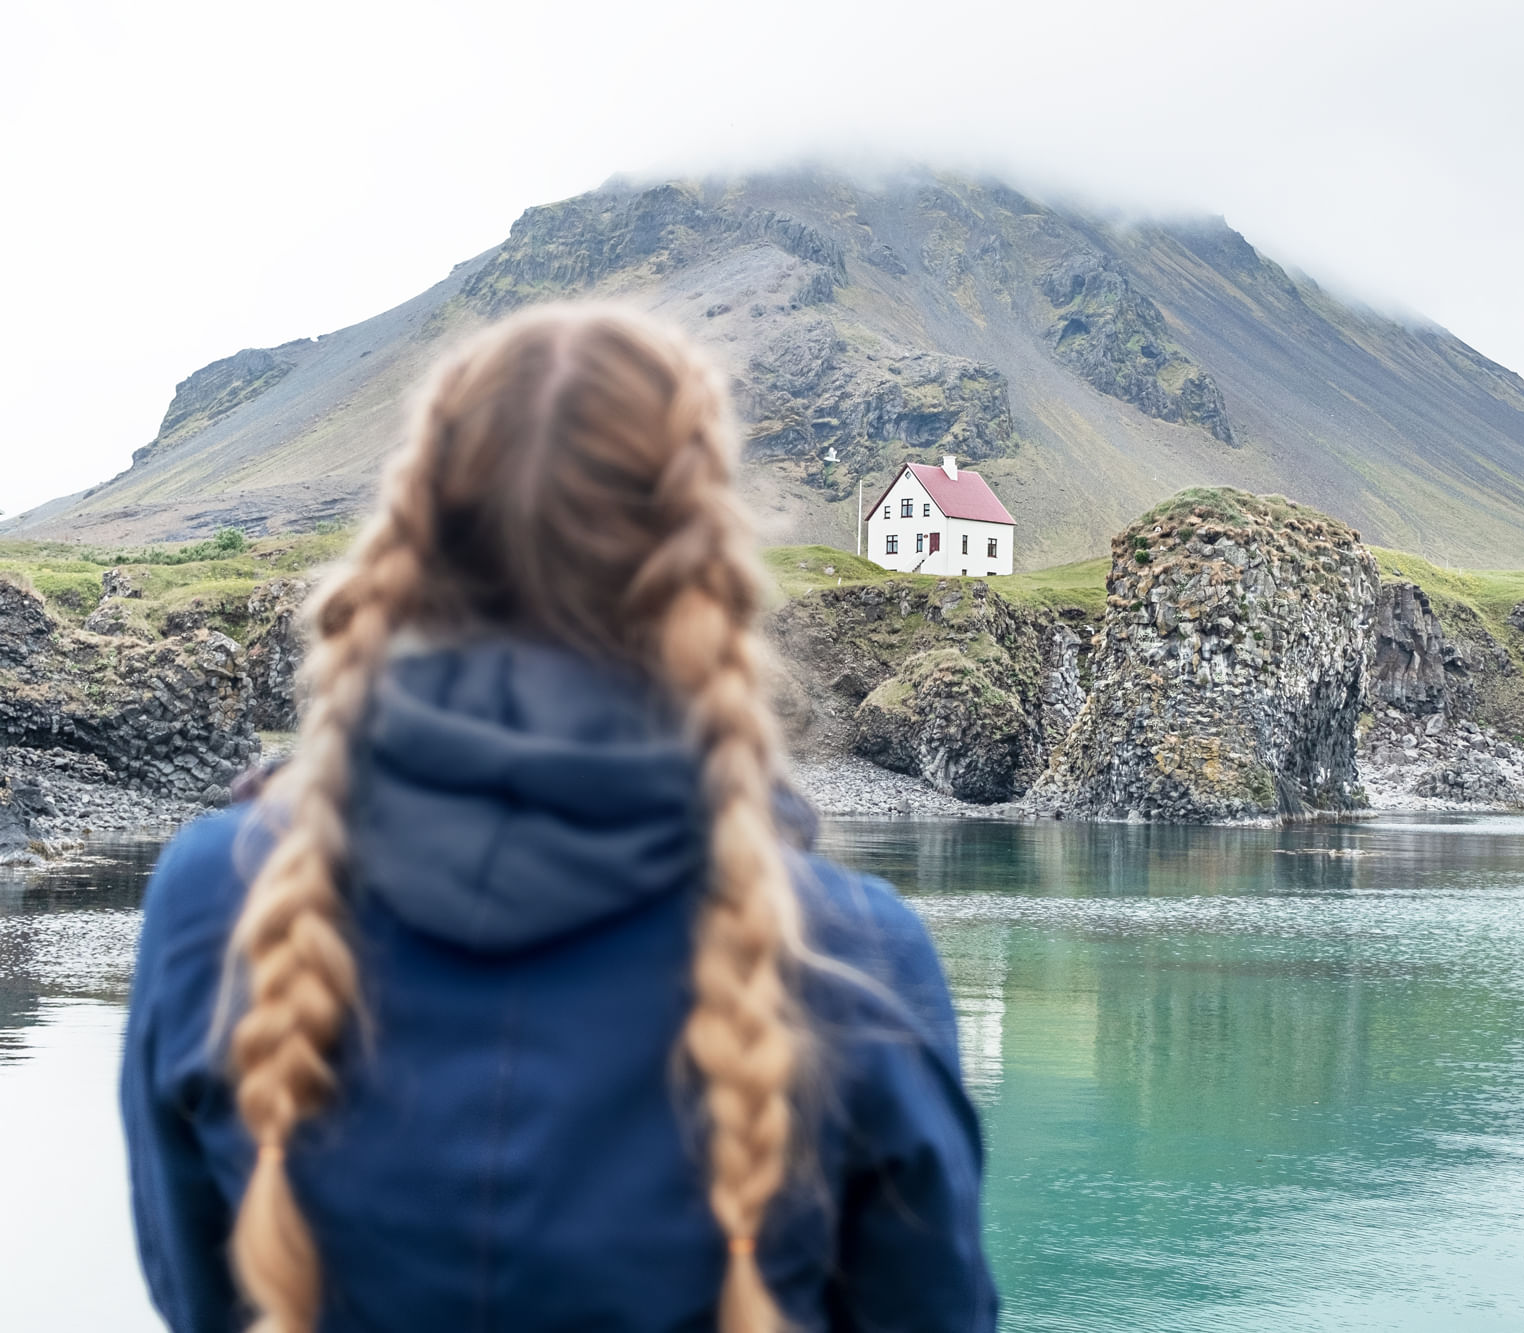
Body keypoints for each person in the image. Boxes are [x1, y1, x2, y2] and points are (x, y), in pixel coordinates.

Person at [119, 306, 997, 1332]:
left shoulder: (214, 898)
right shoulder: (853, 956)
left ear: (421, 533)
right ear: (697, 554)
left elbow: (199, 1297)